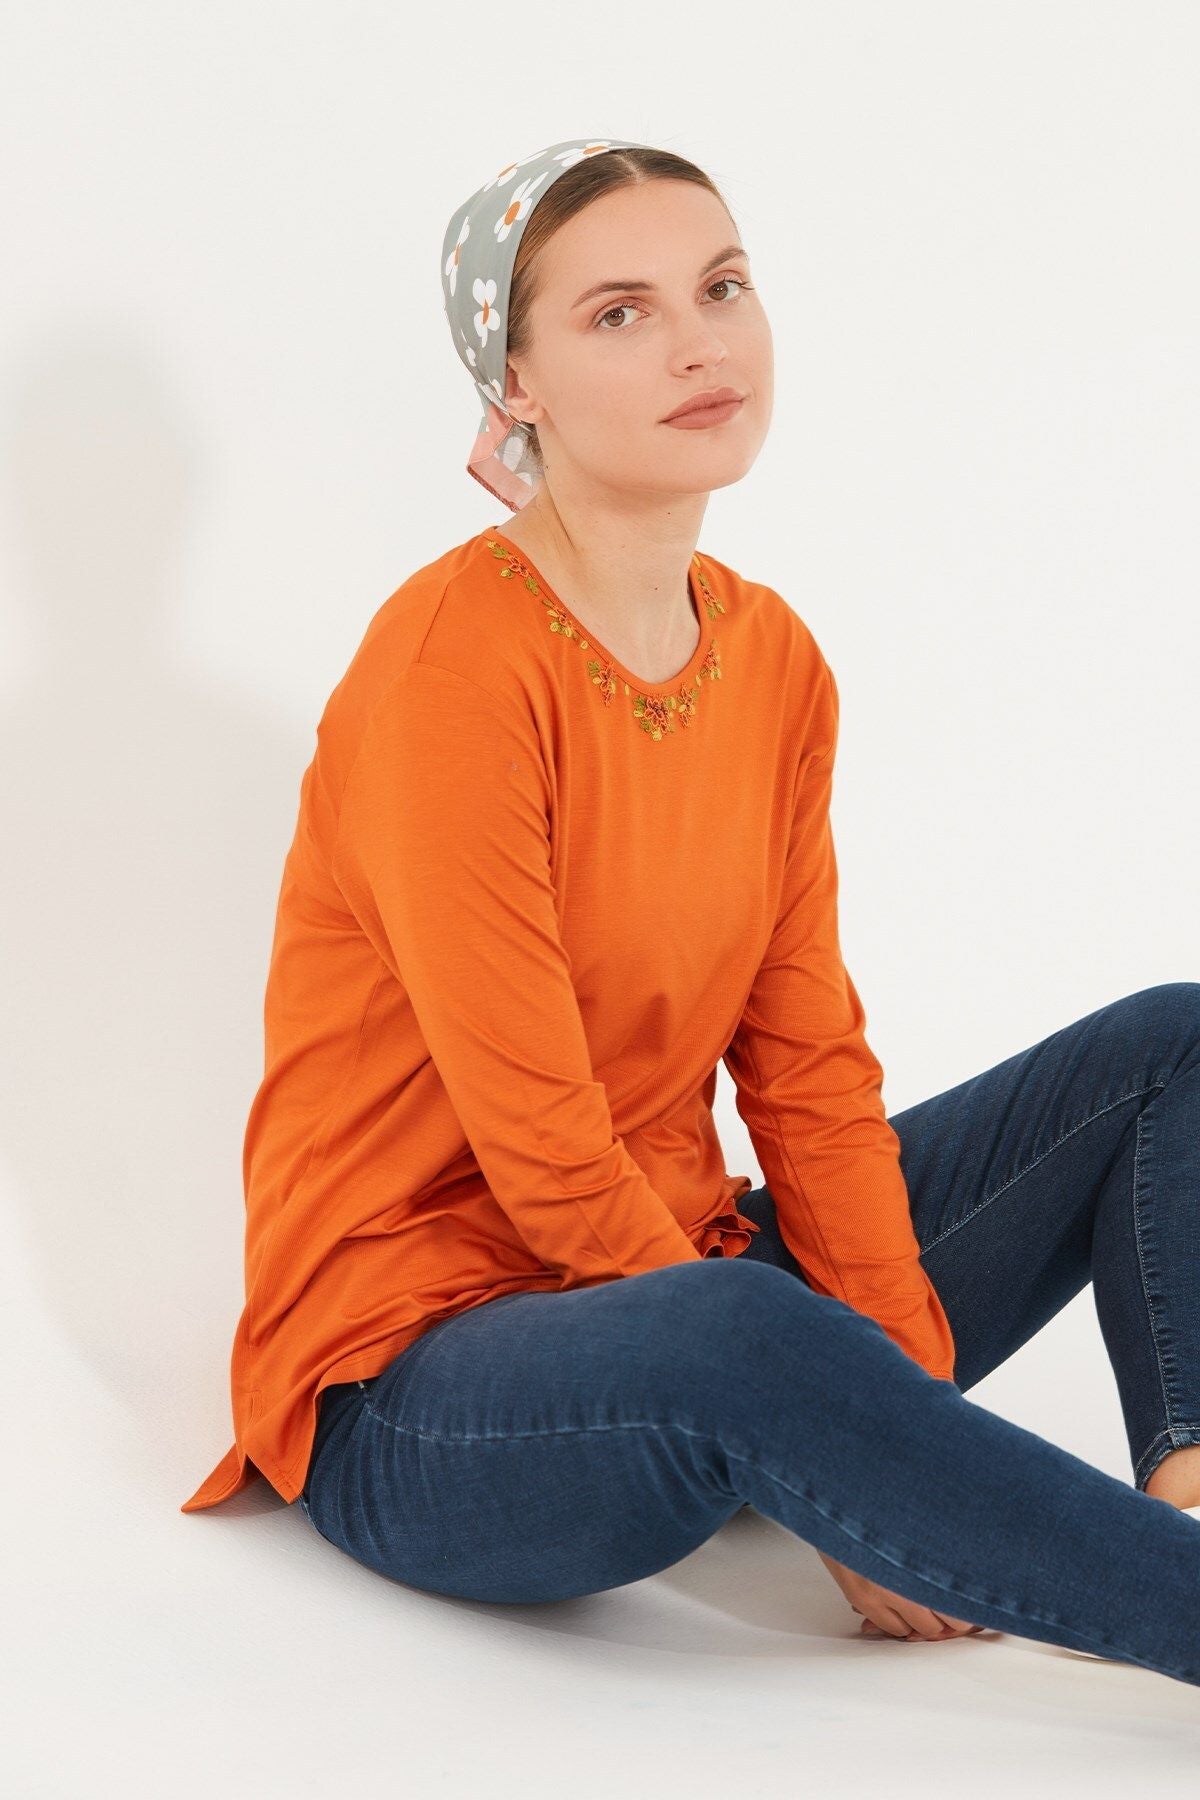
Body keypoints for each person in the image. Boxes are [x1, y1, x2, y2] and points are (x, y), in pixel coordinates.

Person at [181, 137, 1200, 1686]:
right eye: (620, 313)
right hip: (416, 1386)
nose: (699, 343)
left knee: (1173, 1047)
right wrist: (869, 1459)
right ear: (515, 383)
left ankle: (1185, 1500)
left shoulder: (773, 658)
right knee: (744, 1328)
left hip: (687, 1282)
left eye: (721, 287)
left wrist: (891, 1436)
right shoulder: (449, 670)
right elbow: (540, 1144)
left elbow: (808, 1078)